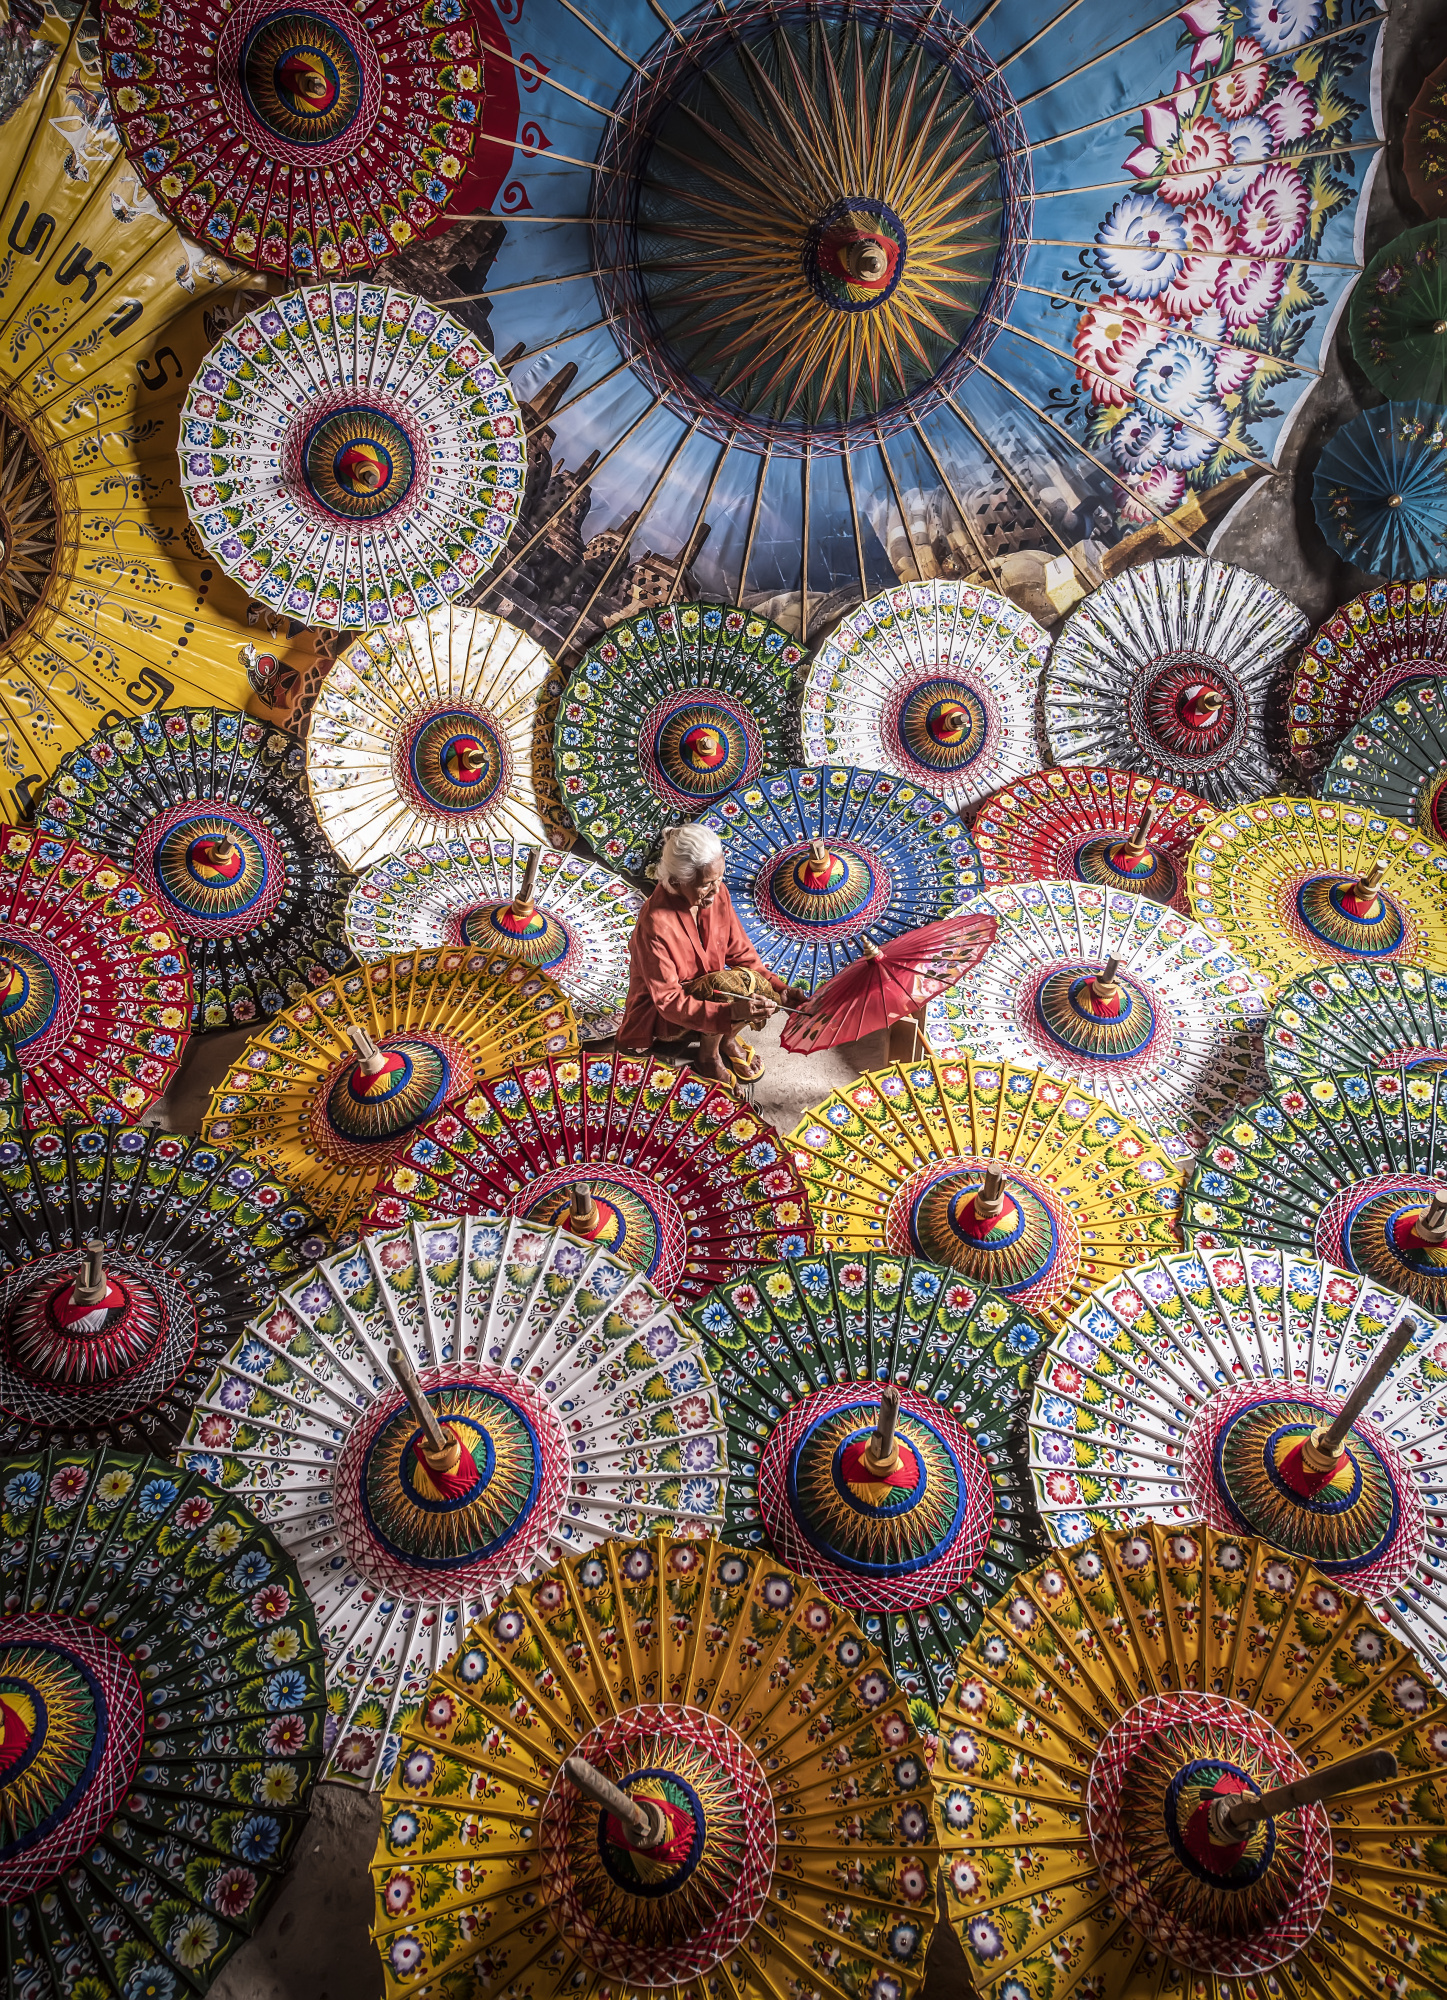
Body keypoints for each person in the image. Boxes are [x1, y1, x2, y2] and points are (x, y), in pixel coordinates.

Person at [617, 824, 807, 1085]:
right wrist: (729, 1012)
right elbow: (669, 1002)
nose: (717, 890)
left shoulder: (718, 894)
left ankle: (726, 1039)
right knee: (727, 987)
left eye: (719, 879)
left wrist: (779, 988)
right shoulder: (655, 924)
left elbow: (741, 953)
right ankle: (708, 1056)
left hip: (707, 993)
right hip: (667, 1015)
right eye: (706, 884)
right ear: (676, 881)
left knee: (753, 986)